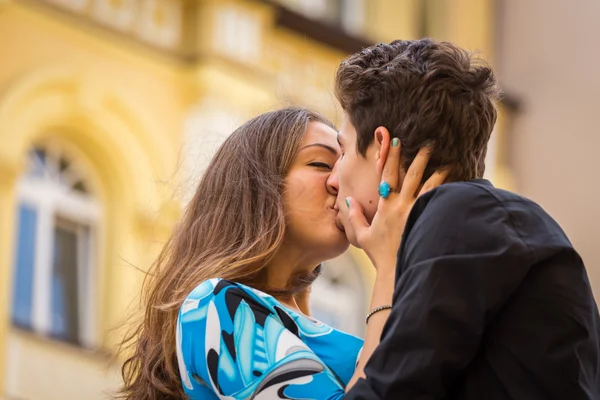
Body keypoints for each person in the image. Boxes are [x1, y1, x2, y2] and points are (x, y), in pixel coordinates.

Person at [329, 38, 600, 399]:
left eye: (342, 150)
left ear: (380, 147)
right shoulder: (483, 218)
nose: (333, 178)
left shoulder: (458, 216)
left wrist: (388, 270)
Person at [118, 106, 444, 399]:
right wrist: (390, 271)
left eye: (345, 164)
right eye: (320, 163)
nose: (338, 181)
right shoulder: (216, 305)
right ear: (256, 186)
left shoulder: (328, 335)